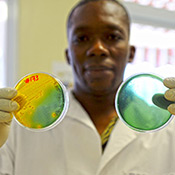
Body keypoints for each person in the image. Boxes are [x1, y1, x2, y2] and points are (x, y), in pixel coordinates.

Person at [0, 0, 175, 174]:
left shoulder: (168, 129)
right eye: (82, 38)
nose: (97, 49)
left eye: (112, 37)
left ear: (131, 53)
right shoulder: (18, 129)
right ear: (68, 55)